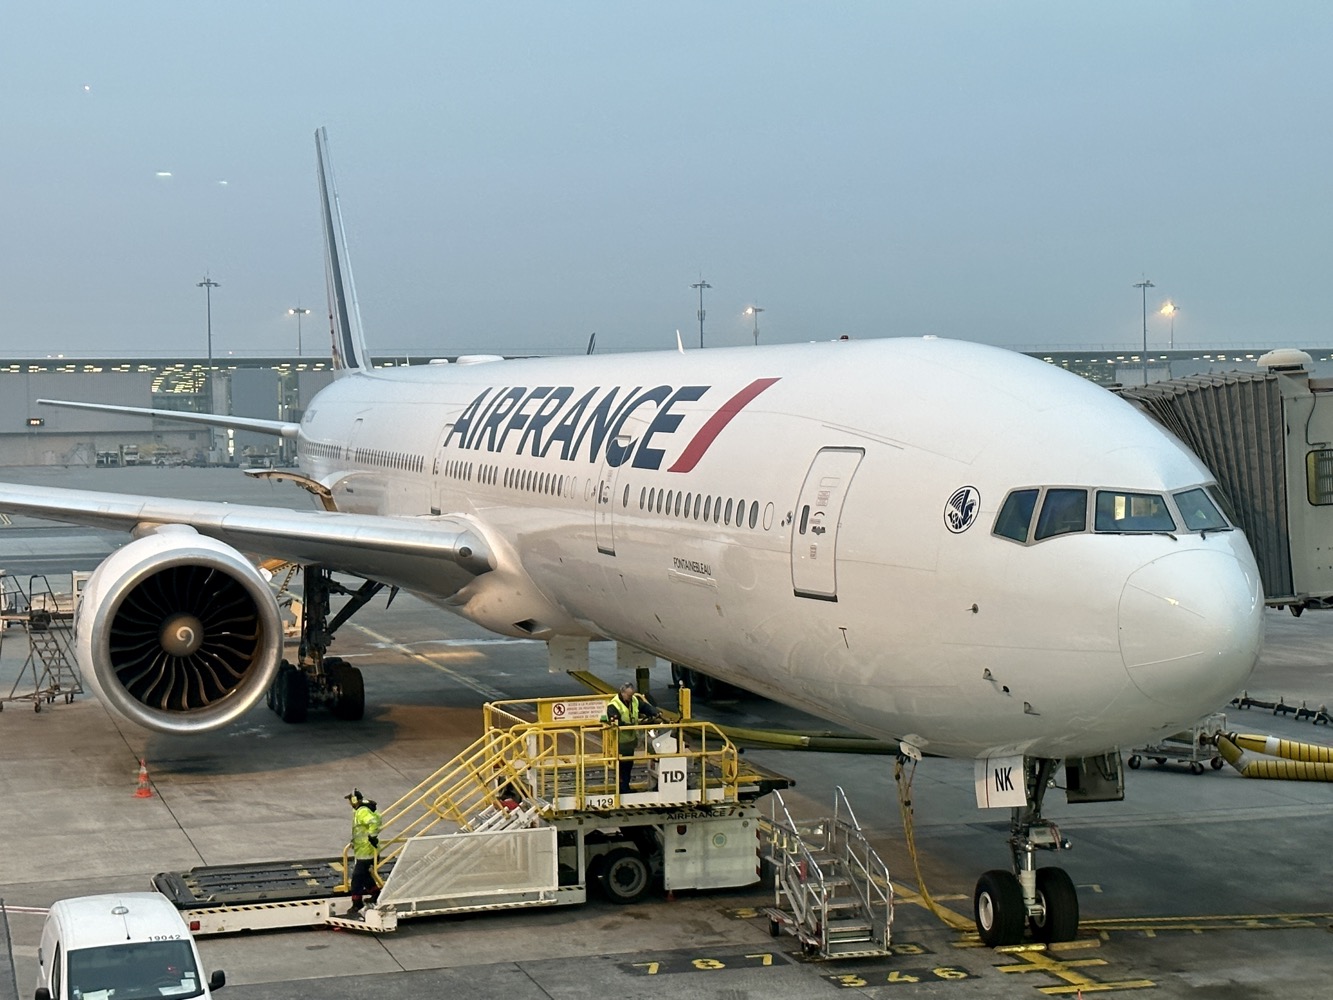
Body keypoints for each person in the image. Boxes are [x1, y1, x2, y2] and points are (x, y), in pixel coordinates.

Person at [600, 682, 660, 794]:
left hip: (630, 741)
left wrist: (653, 711)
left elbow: (644, 707)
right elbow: (618, 723)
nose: (631, 697)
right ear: (622, 693)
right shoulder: (614, 706)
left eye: (632, 695)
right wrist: (631, 726)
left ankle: (625, 787)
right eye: (628, 695)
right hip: (619, 741)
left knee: (628, 765)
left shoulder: (634, 701)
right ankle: (622, 789)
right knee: (622, 767)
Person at [343, 788, 382, 917]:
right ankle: (376, 894)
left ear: (354, 800)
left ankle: (357, 903)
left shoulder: (362, 811)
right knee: (365, 876)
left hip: (367, 851)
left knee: (357, 878)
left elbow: (373, 822)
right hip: (364, 850)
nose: (349, 803)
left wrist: (372, 836)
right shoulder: (362, 809)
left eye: (350, 800)